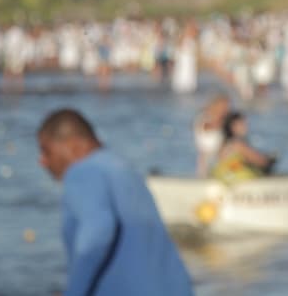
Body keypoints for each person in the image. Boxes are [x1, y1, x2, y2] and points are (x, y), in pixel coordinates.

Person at [37, 108, 193, 296]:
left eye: (46, 151)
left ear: (73, 145)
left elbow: (97, 233)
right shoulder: (122, 168)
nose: (42, 161)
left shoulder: (82, 172)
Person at [210, 111, 276, 183]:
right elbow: (261, 161)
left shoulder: (223, 144)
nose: (246, 126)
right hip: (234, 180)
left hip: (222, 179)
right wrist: (272, 159)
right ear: (233, 126)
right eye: (242, 124)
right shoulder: (238, 144)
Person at [193, 94, 230, 177]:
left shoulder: (221, 118)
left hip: (219, 154)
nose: (226, 109)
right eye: (224, 106)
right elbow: (206, 126)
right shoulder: (205, 116)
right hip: (207, 155)